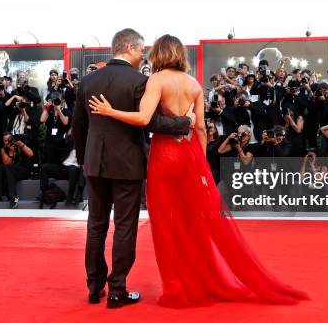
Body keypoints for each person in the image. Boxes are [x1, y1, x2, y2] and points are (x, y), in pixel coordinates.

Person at [88, 33, 309, 308]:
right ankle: (200, 279)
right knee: (194, 223)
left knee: (167, 225)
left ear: (159, 53)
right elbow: (202, 128)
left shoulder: (156, 80)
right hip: (190, 156)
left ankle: (177, 287)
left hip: (164, 156)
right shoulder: (193, 84)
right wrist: (201, 164)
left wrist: (110, 111)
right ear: (180, 54)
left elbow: (145, 119)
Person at [72, 29, 193, 309]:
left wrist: (83, 158)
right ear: (128, 47)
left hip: (94, 163)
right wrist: (184, 123)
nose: (143, 56)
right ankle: (117, 290)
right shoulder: (140, 81)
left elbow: (78, 125)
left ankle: (94, 287)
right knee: (125, 225)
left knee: (96, 225)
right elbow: (149, 121)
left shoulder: (88, 81)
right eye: (140, 51)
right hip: (127, 164)